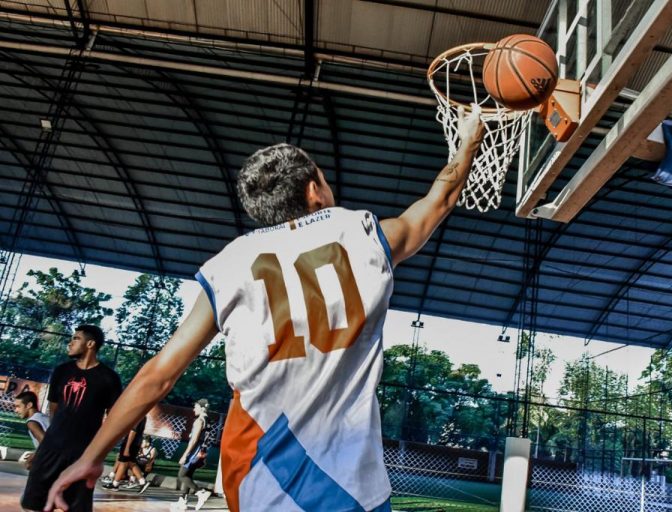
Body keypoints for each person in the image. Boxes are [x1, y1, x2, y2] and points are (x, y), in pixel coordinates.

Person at [44, 105, 485, 512]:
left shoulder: (231, 262)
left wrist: (91, 457)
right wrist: (467, 140)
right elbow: (438, 202)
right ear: (314, 189)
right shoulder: (362, 233)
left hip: (258, 470)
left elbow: (159, 374)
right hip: (352, 487)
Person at [22, 324, 122, 512]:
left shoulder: (109, 378)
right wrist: (46, 446)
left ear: (90, 344)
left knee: (76, 508)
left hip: (82, 454)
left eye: (76, 338)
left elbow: (114, 418)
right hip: (51, 450)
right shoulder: (61, 371)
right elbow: (54, 410)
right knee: (34, 506)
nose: (70, 343)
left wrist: (97, 454)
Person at [171, 398, 212, 511]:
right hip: (201, 452)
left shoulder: (199, 421)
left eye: (196, 407)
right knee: (188, 475)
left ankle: (201, 492)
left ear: (202, 408)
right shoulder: (208, 420)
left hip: (194, 451)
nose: (194, 409)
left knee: (182, 475)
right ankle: (182, 501)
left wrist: (185, 455)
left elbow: (193, 440)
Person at [102, 416, 150, 493]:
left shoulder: (138, 415)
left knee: (123, 462)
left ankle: (115, 485)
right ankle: (142, 482)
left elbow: (133, 432)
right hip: (136, 443)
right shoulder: (143, 416)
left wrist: (127, 447)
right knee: (131, 463)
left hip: (131, 443)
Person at [14, 391, 50, 469]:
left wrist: (33, 458)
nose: (16, 410)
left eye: (18, 406)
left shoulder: (32, 422)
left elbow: (46, 443)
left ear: (29, 405)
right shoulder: (43, 417)